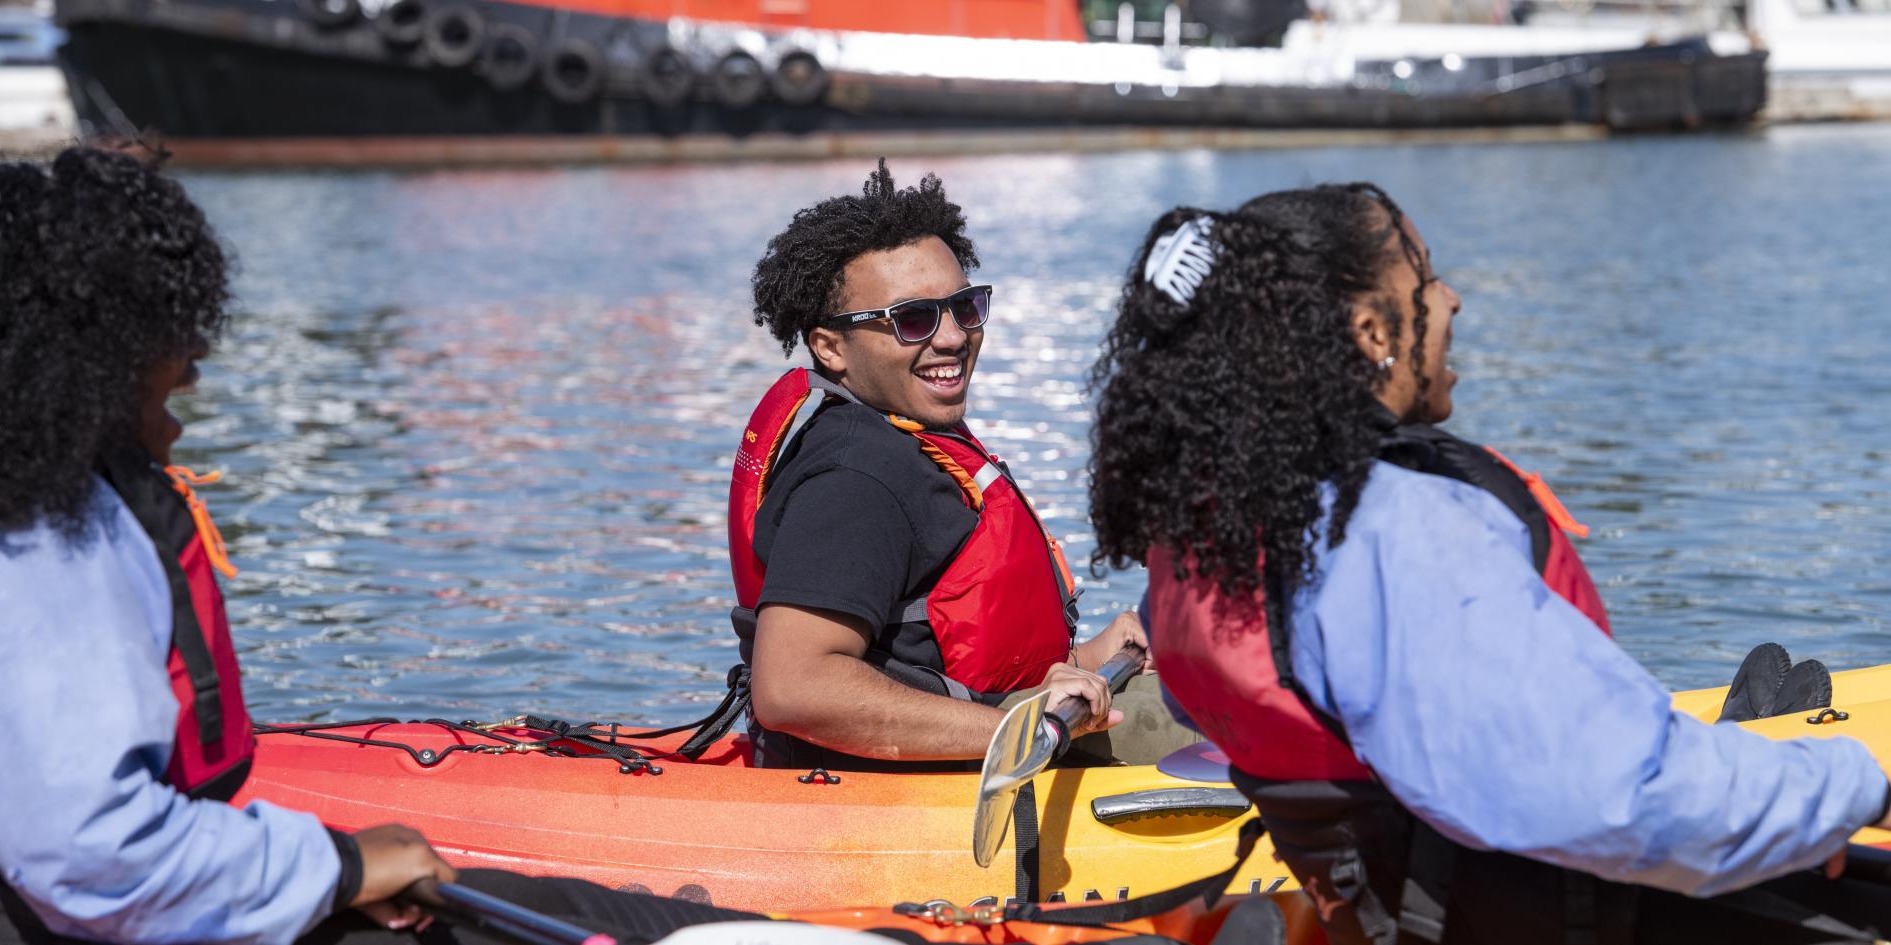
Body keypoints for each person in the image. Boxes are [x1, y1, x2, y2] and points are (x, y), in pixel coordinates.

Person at [0, 147, 764, 945]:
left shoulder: (33, 503)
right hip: (92, 915)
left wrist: (327, 862)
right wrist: (341, 867)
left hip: (133, 898)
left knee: (614, 913)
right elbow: (94, 855)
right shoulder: (35, 536)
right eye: (175, 352)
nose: (195, 375)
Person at [1085, 185, 1891, 943]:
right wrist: (1850, 790)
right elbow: (1618, 788)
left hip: (1405, 907)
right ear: (1371, 333)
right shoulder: (1395, 535)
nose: (1452, 300)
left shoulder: (1206, 542)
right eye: (1427, 280)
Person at [725, 159, 1201, 771]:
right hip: (925, 784)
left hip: (995, 732)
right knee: (1254, 728)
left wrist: (1089, 659)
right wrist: (1020, 730)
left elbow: (931, 656)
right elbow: (792, 688)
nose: (952, 337)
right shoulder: (853, 477)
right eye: (912, 319)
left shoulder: (906, 438)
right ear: (830, 347)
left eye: (964, 307)